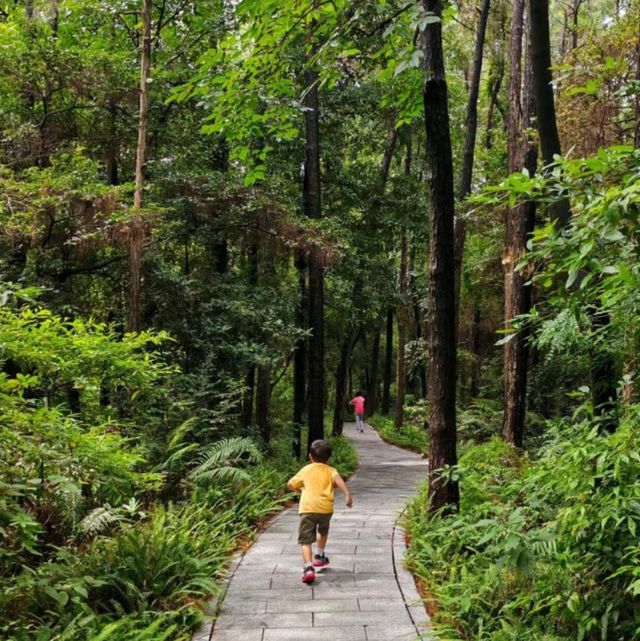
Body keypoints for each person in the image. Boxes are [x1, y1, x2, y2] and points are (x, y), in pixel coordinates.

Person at [287, 439, 353, 584]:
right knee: (322, 531)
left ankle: (308, 567)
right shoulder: (331, 470)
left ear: (310, 456)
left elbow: (290, 484)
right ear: (329, 458)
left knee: (305, 540)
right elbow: (338, 480)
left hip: (308, 509)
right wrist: (347, 494)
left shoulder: (305, 470)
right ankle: (320, 555)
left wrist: (299, 489)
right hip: (325, 509)